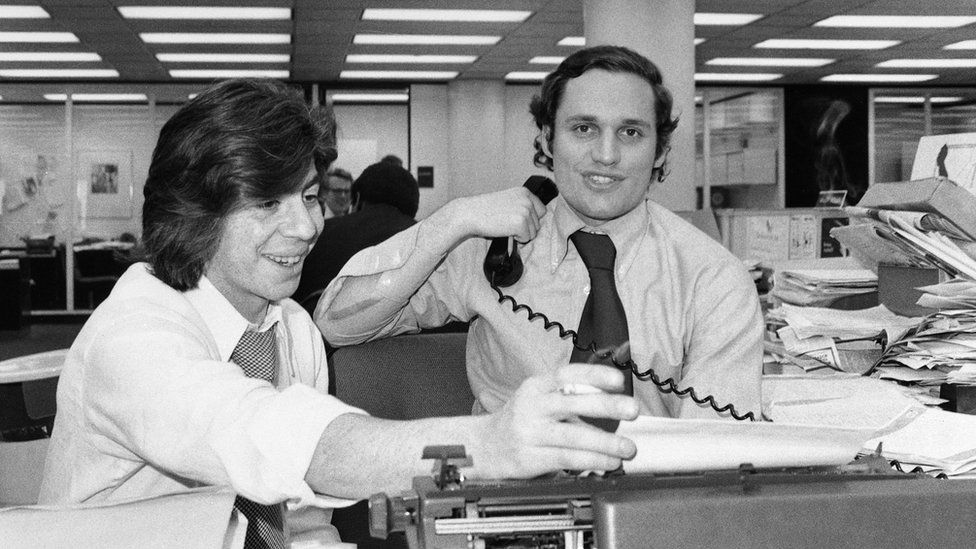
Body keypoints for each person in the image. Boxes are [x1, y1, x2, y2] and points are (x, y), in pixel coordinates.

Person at [37, 79, 639, 547]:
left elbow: (297, 506)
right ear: (195, 212)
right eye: (266, 202)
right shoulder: (136, 337)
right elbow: (275, 437)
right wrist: (487, 441)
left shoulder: (289, 328)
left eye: (306, 196)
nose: (305, 227)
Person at [315, 45, 763, 421]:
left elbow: (717, 453)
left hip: (649, 508)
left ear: (661, 150)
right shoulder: (490, 248)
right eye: (583, 128)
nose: (606, 155)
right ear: (548, 139)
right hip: (502, 501)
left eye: (630, 132)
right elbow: (337, 325)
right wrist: (450, 222)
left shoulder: (713, 279)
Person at [293, 161, 420, 315]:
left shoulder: (316, 237)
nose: (342, 196)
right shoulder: (432, 240)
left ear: (357, 198)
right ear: (414, 206)